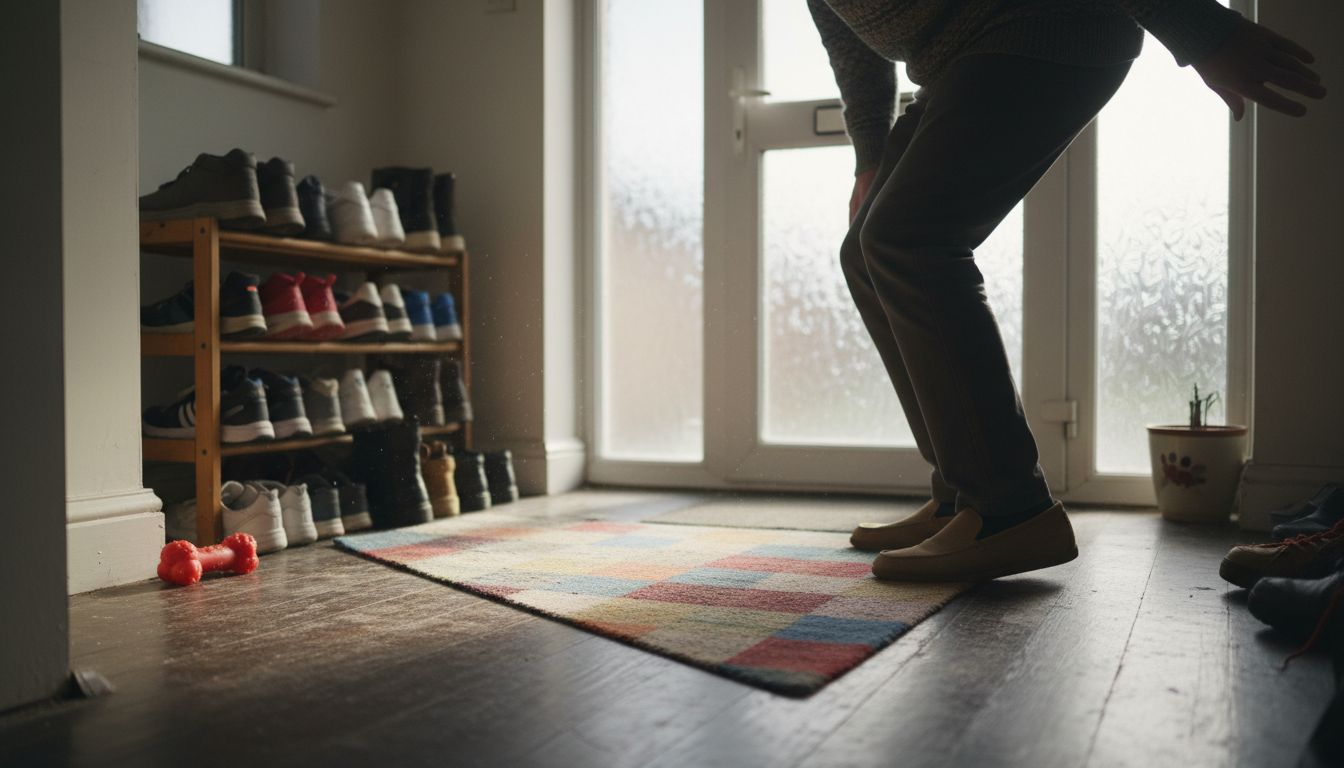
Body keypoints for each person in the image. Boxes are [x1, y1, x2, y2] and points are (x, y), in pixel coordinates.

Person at [809, 0, 1326, 582]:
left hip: (1042, 25)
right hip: (961, 53)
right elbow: (846, 32)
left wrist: (1201, 31)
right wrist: (872, 154)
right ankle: (963, 494)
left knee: (911, 240)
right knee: (867, 251)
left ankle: (1009, 509)